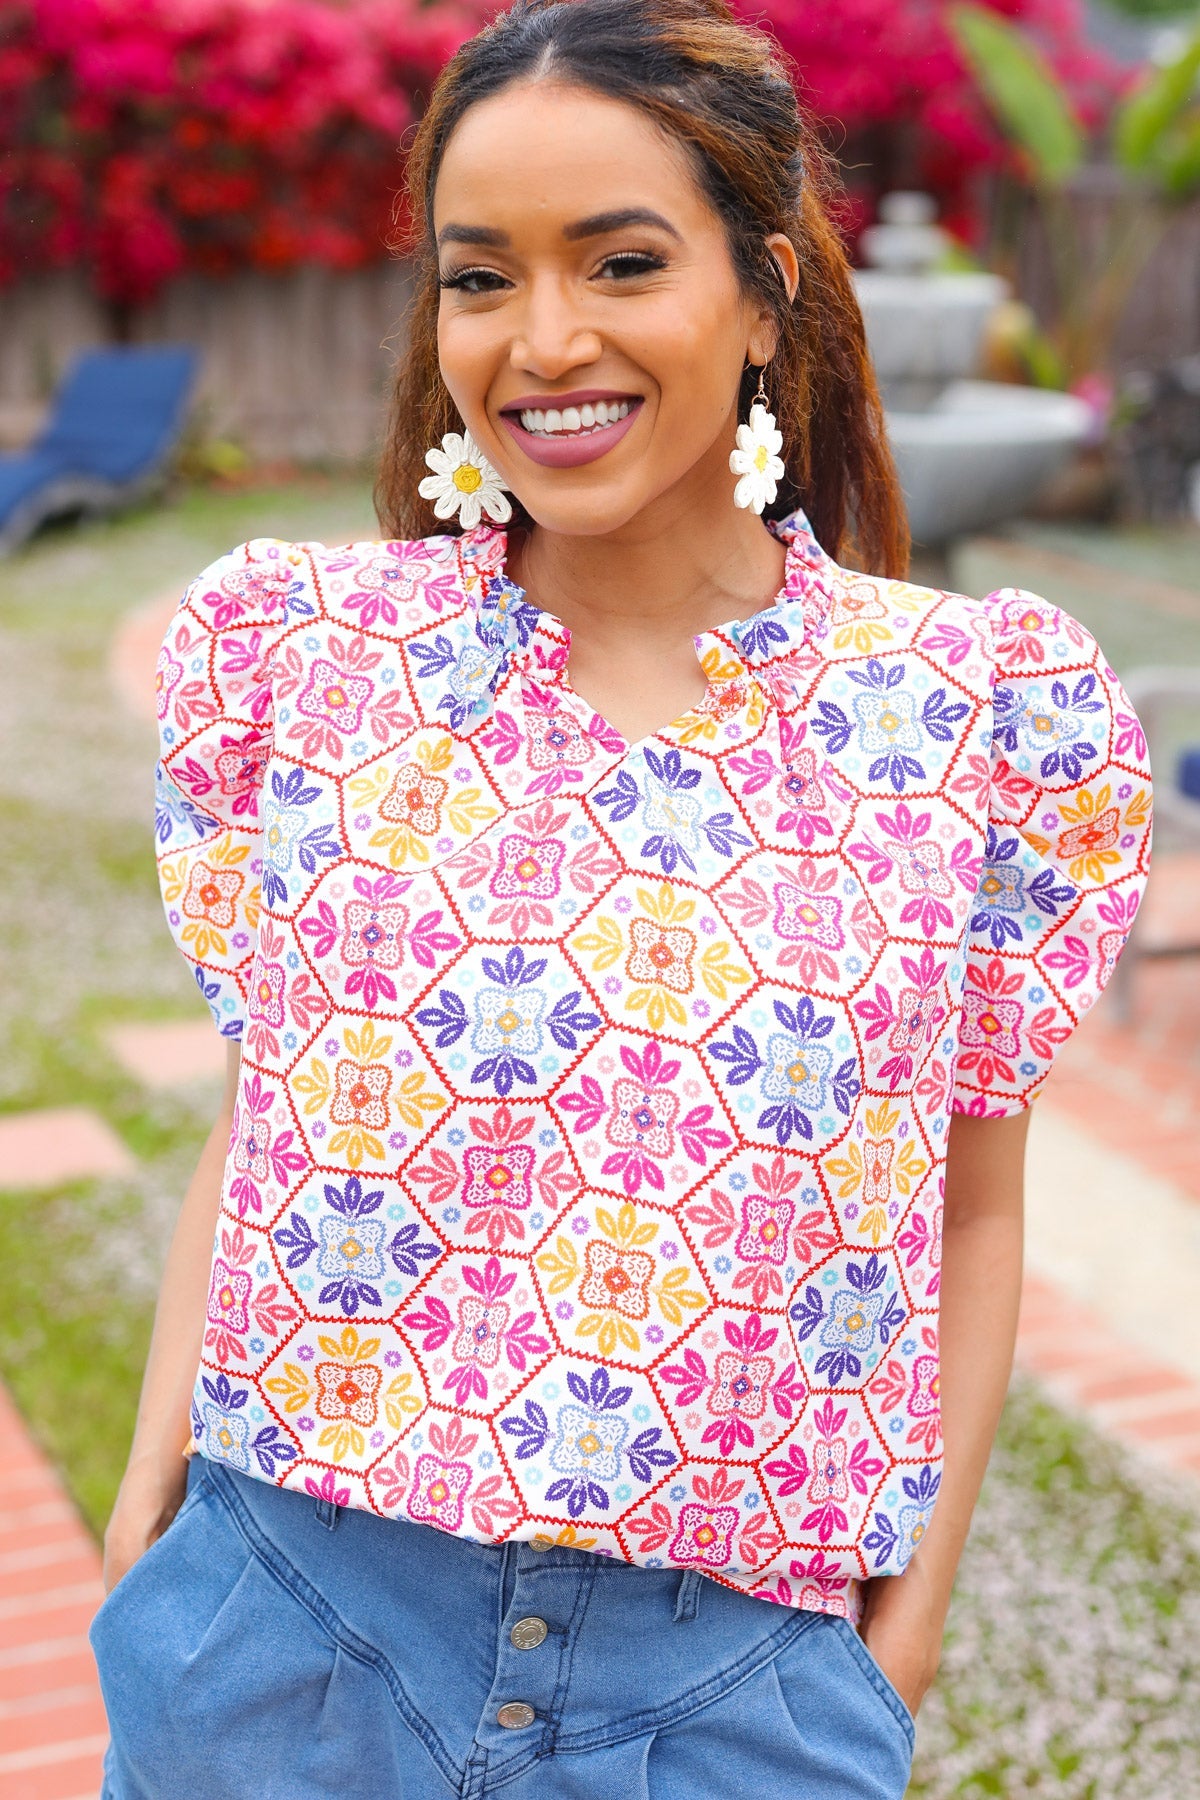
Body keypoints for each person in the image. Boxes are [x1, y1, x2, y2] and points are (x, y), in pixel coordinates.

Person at [92, 1, 1152, 1794]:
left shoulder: (983, 714)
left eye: (623, 260)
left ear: (766, 294)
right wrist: (152, 1494)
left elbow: (974, 1201)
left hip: (733, 1679)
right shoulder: (305, 657)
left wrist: (910, 1623)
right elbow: (268, 1100)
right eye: (480, 276)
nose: (543, 338)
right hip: (289, 1627)